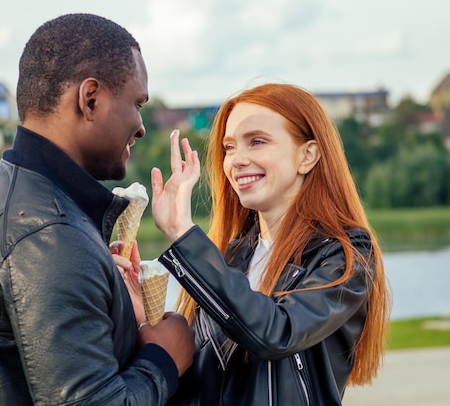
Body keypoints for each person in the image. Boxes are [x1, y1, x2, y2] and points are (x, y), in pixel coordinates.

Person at [0, 13, 195, 406]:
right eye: (137, 103)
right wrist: (163, 361)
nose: (141, 127)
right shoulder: (49, 236)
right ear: (90, 99)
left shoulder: (3, 190)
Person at [148, 83, 391, 405]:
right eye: (230, 147)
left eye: (257, 141)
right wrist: (139, 319)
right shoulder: (227, 259)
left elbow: (277, 334)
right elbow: (195, 383)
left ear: (307, 155)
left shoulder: (344, 254)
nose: (236, 160)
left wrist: (184, 236)